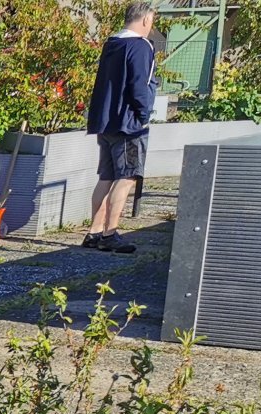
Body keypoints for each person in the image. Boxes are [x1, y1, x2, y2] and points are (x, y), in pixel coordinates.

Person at [84, 2, 158, 254]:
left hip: (105, 121)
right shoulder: (140, 46)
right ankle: (110, 233)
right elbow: (139, 84)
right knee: (126, 177)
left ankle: (93, 232)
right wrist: (143, 114)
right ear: (146, 19)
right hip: (129, 124)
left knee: (106, 176)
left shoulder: (112, 43)